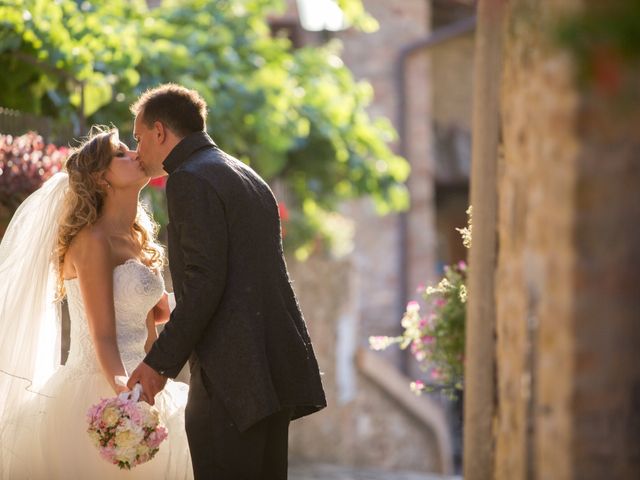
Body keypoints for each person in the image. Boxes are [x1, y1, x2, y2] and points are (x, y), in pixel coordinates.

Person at [127, 83, 327, 479]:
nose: (138, 151)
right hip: (270, 377)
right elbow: (237, 276)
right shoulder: (247, 175)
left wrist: (158, 365)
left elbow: (205, 282)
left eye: (138, 138)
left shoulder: (189, 179)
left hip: (232, 384)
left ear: (160, 131)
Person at [0, 127, 193, 479]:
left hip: (142, 384)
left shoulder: (137, 239)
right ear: (100, 177)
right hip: (100, 385)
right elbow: (102, 336)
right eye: (120, 154)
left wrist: (153, 384)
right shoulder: (92, 240)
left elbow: (154, 318)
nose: (134, 153)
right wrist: (123, 393)